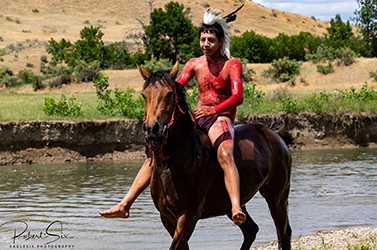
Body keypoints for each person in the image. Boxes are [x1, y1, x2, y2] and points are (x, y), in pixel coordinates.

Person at [100, 5, 246, 225]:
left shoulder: (231, 64)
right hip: (197, 117)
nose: (206, 44)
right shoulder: (194, 64)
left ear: (221, 41)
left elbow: (238, 96)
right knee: (155, 154)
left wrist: (213, 110)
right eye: (203, 39)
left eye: (211, 40)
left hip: (220, 117)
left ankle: (235, 206)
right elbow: (173, 88)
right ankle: (125, 204)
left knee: (225, 154)